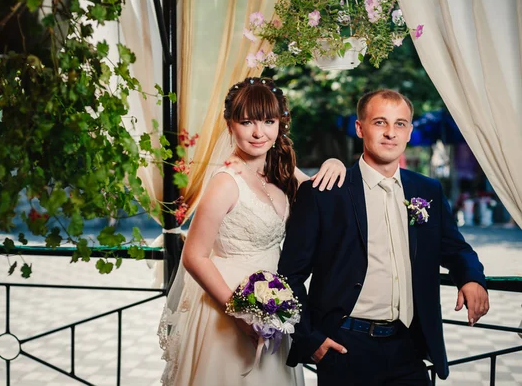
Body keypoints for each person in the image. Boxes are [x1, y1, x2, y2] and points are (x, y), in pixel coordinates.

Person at [278, 89, 490, 386]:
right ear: (360, 127)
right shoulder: (324, 193)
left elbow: (455, 248)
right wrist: (311, 338)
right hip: (344, 347)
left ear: (409, 131)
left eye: (400, 124)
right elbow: (290, 275)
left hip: (408, 347)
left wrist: (471, 278)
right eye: (380, 122)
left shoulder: (427, 190)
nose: (391, 133)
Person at [158, 77, 346, 386]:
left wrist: (336, 163)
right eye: (247, 122)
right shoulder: (225, 182)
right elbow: (194, 256)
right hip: (229, 305)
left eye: (268, 121)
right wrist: (240, 313)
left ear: (280, 124)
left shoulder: (279, 170)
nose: (259, 133)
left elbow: (317, 189)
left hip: (276, 305)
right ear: (230, 125)